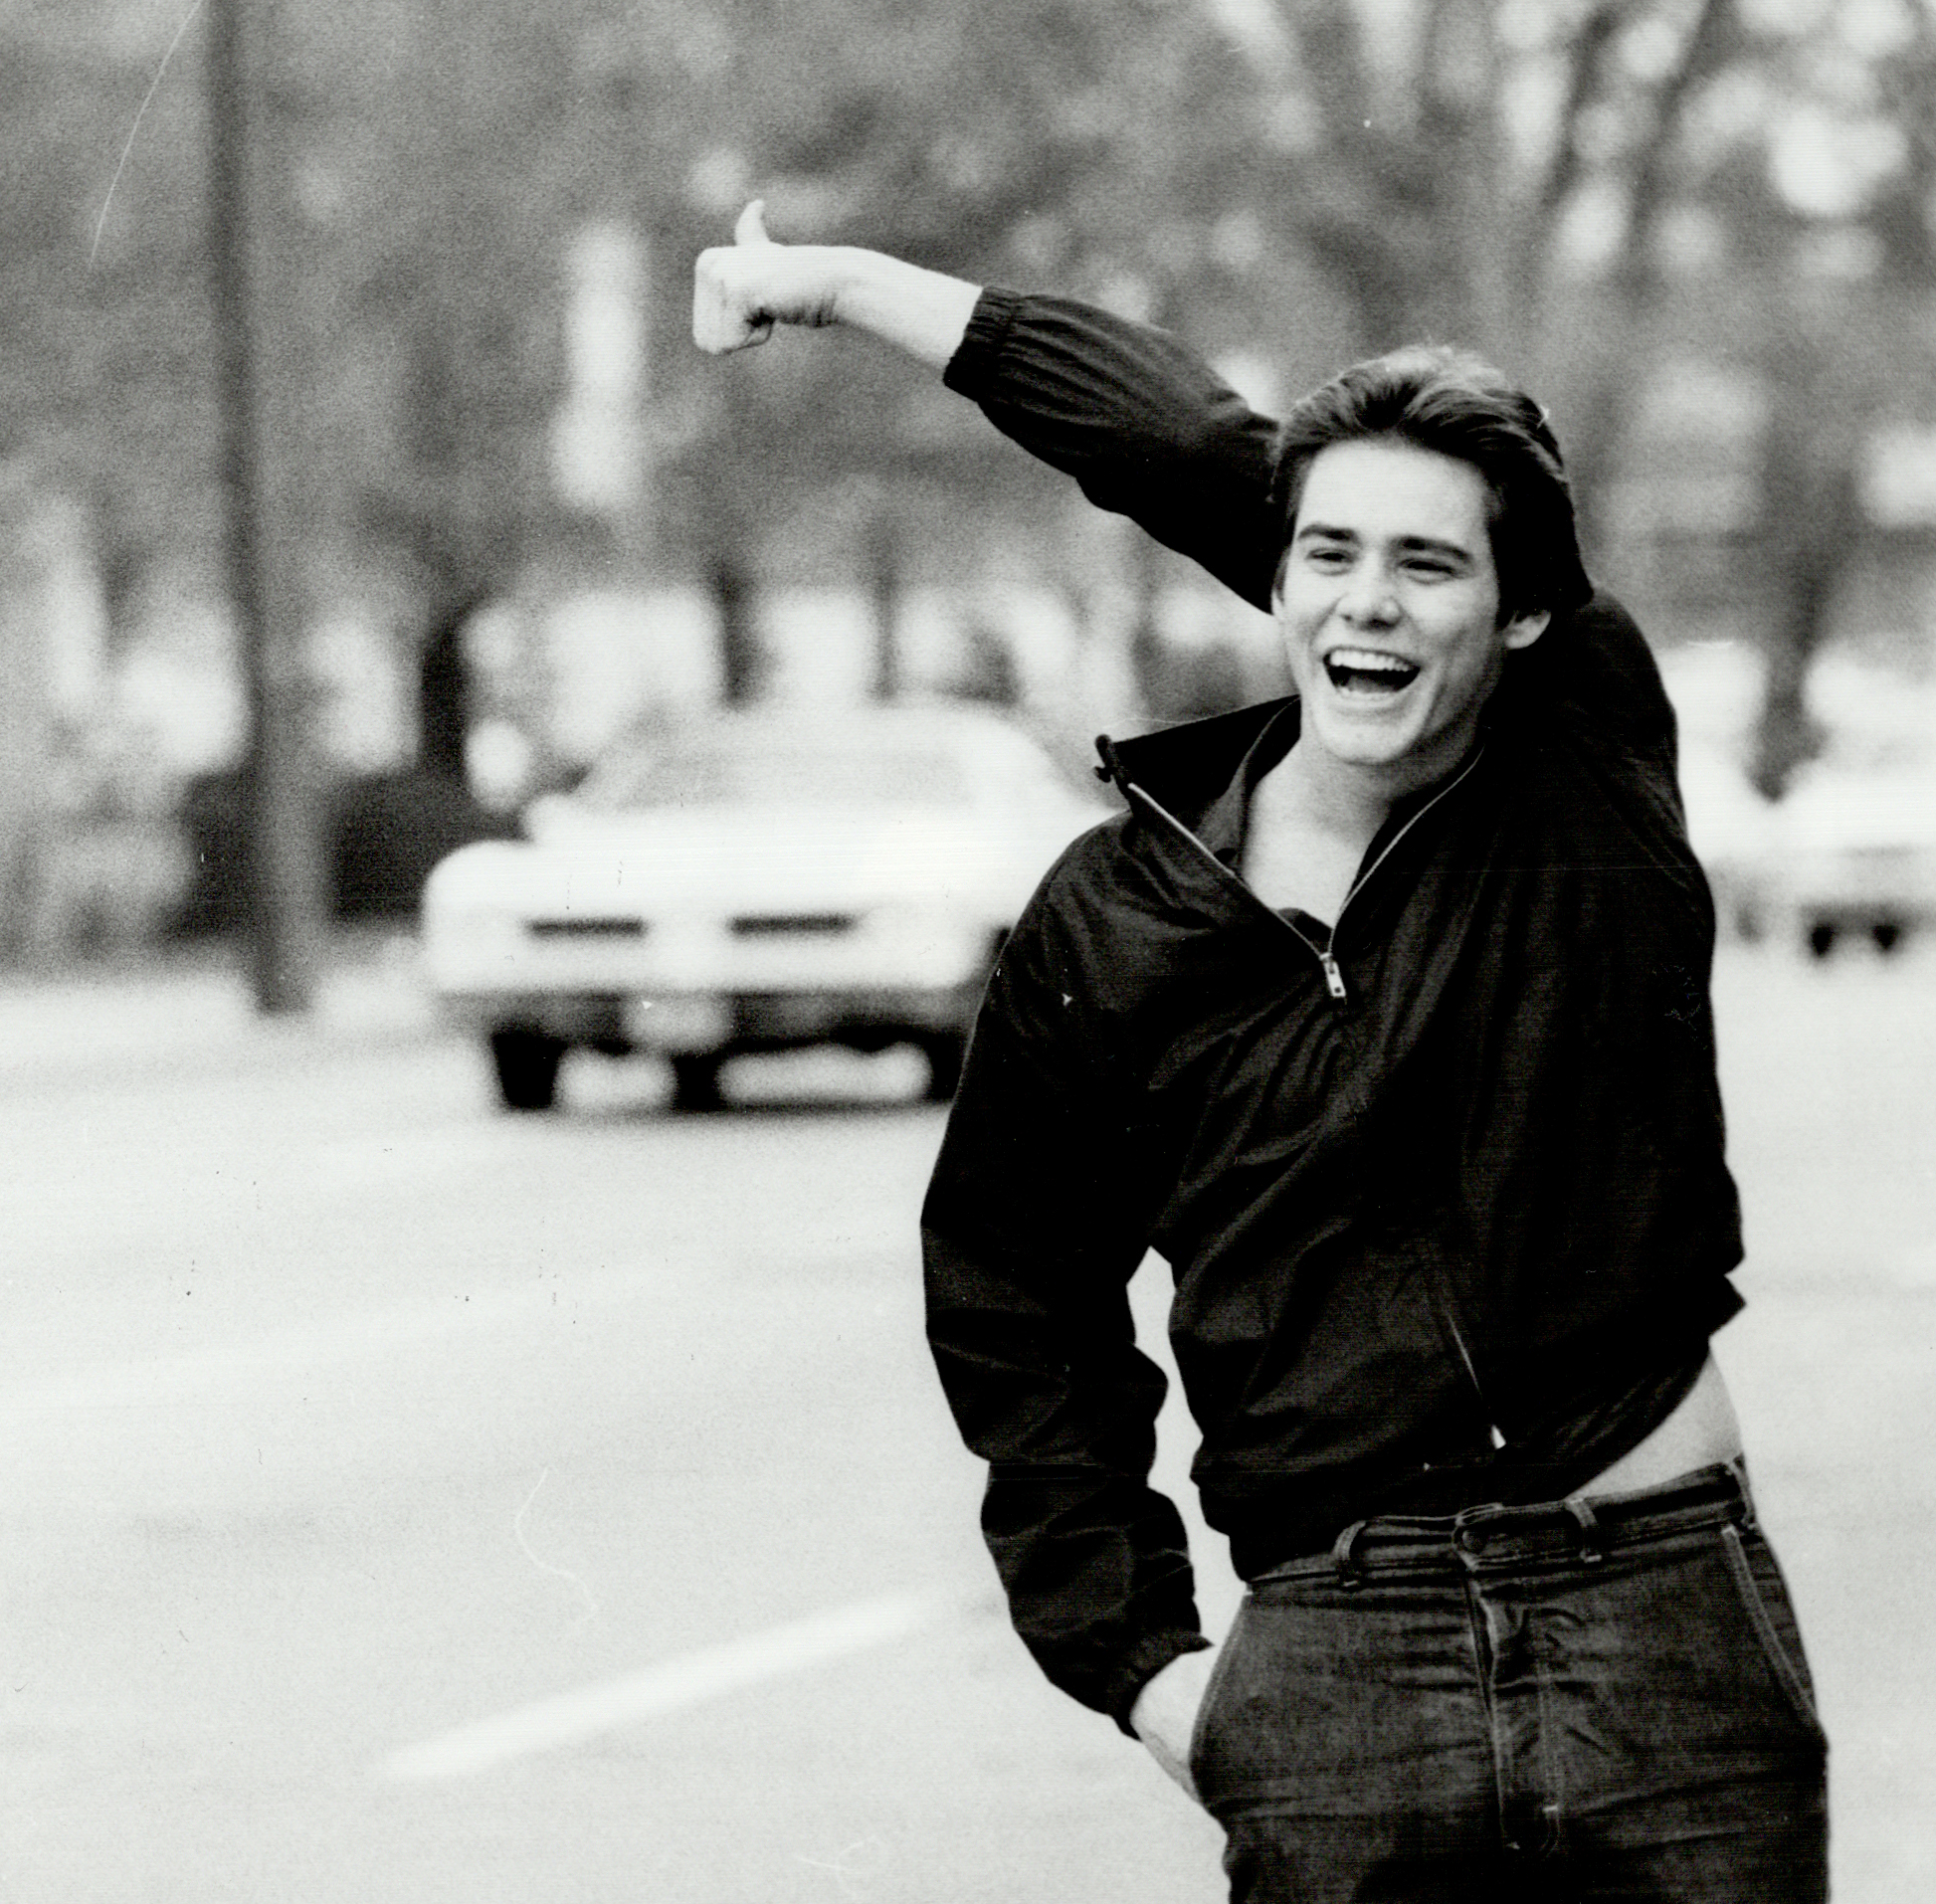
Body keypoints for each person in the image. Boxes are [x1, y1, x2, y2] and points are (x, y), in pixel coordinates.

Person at [694, 203, 1828, 1901]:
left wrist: (855, 290)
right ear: (1282, 580)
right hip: (1334, 1660)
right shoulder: (1113, 915)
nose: (1367, 604)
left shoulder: (1578, 770)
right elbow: (1011, 1298)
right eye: (1328, 554)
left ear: (1523, 615)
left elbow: (1186, 446)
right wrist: (1144, 1662)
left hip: (1657, 1617)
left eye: (1430, 564)